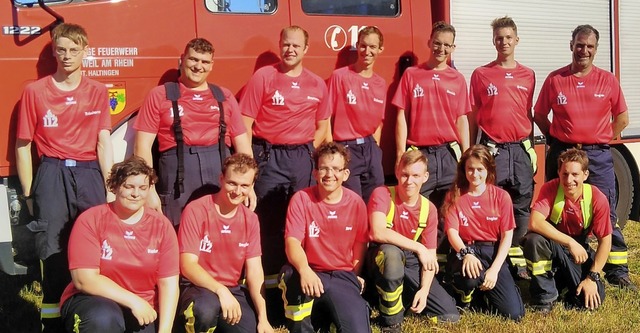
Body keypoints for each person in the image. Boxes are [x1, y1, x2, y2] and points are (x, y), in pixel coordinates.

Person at [15, 22, 113, 332]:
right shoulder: (34, 91)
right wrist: (30, 193)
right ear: (54, 52)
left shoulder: (98, 91)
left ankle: (93, 316)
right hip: (52, 173)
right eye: (61, 50)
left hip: (88, 174)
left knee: (95, 247)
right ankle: (53, 322)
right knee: (53, 251)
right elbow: (23, 145)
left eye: (74, 50)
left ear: (85, 51)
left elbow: (103, 142)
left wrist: (110, 186)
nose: (67, 55)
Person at [533, 24, 634, 289]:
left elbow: (622, 118)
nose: (584, 51)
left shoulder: (607, 80)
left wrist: (600, 137)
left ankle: (617, 270)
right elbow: (540, 115)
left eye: (589, 46)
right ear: (571, 45)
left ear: (596, 50)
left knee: (606, 212)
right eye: (579, 44)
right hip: (563, 152)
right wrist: (556, 140)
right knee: (557, 208)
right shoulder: (555, 80)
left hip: (597, 156)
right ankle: (562, 260)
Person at [240, 25, 331, 314]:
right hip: (269, 156)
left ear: (306, 49)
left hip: (302, 158)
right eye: (285, 44)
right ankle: (266, 297)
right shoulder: (263, 77)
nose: (290, 50)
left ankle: (298, 287)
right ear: (280, 46)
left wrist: (304, 149)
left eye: (296, 45)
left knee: (301, 224)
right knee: (268, 225)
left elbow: (323, 127)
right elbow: (244, 123)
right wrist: (251, 167)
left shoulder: (317, 84)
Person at [134, 37, 252, 227]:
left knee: (218, 231)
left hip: (219, 172)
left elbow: (243, 144)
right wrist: (148, 189)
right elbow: (142, 146)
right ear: (182, 60)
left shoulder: (224, 96)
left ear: (211, 65)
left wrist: (249, 184)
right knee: (176, 231)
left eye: (204, 62)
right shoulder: (160, 95)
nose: (198, 66)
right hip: (176, 177)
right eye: (193, 59)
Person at [59, 156, 179, 333]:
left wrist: (165, 331)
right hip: (95, 302)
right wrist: (133, 301)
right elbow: (84, 280)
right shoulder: (91, 220)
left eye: (142, 188)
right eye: (129, 186)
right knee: (103, 318)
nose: (136, 194)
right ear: (113, 187)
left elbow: (169, 284)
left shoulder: (162, 226)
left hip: (144, 309)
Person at [469, 16, 536, 279]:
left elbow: (527, 113)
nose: (504, 41)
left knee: (520, 205)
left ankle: (516, 259)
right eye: (499, 37)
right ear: (493, 40)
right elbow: (474, 114)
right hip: (491, 150)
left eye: (508, 37)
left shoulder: (528, 74)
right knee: (490, 205)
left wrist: (530, 148)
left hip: (519, 150)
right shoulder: (481, 74)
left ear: (516, 40)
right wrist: (472, 149)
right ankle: (491, 257)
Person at [278, 142, 370, 333]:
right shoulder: (301, 199)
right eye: (324, 168)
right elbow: (292, 242)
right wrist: (304, 270)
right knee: (290, 275)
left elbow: (361, 242)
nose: (329, 174)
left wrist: (354, 275)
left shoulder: (356, 203)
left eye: (336, 169)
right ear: (315, 173)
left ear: (345, 174)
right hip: (310, 273)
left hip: (342, 275)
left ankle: (331, 311)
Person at [177, 153, 274, 333]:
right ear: (221, 179)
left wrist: (263, 317)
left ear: (252, 186)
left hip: (233, 288)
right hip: (197, 287)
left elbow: (254, 271)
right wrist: (220, 290)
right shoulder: (196, 210)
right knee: (205, 311)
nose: (237, 191)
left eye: (244, 185)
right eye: (232, 183)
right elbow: (187, 265)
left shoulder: (250, 219)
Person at [367, 149, 460, 333]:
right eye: (404, 175)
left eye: (415, 175)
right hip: (381, 257)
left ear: (425, 177)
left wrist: (424, 291)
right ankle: (391, 321)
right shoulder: (383, 193)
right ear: (397, 173)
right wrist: (418, 247)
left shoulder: (429, 209)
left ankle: (406, 298)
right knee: (391, 256)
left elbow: (430, 257)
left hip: (410, 260)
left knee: (449, 315)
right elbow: (378, 231)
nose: (409, 181)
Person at [392, 20, 471, 207]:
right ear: (429, 42)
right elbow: (401, 115)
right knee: (416, 207)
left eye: (446, 45)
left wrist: (466, 154)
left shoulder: (458, 79)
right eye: (437, 43)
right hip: (419, 153)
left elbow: (462, 119)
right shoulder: (411, 74)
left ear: (453, 47)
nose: (441, 48)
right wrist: (400, 152)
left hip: (449, 154)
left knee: (450, 210)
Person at [523, 149, 611, 313]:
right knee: (533, 240)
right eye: (565, 174)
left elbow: (605, 241)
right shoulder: (550, 188)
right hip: (555, 246)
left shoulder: (597, 198)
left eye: (575, 175)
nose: (569, 180)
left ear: (585, 175)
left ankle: (564, 287)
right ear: (558, 173)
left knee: (589, 302)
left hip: (580, 252)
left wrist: (592, 277)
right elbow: (534, 222)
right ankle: (545, 297)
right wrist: (569, 242)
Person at [443, 145, 524, 321]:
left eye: (480, 169)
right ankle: (465, 292)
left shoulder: (501, 197)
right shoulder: (455, 195)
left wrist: (494, 270)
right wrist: (465, 253)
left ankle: (489, 290)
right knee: (471, 279)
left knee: (514, 314)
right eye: (470, 169)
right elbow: (452, 232)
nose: (475, 174)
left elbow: (507, 236)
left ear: (489, 170)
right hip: (467, 249)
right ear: (463, 170)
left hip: (492, 251)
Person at [326, 26, 387, 204]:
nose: (367, 51)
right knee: (351, 202)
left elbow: (379, 123)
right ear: (357, 46)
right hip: (345, 148)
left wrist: (376, 149)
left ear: (380, 50)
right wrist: (332, 150)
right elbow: (326, 116)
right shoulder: (340, 76)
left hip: (370, 148)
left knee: (376, 203)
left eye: (372, 47)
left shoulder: (380, 83)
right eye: (363, 46)